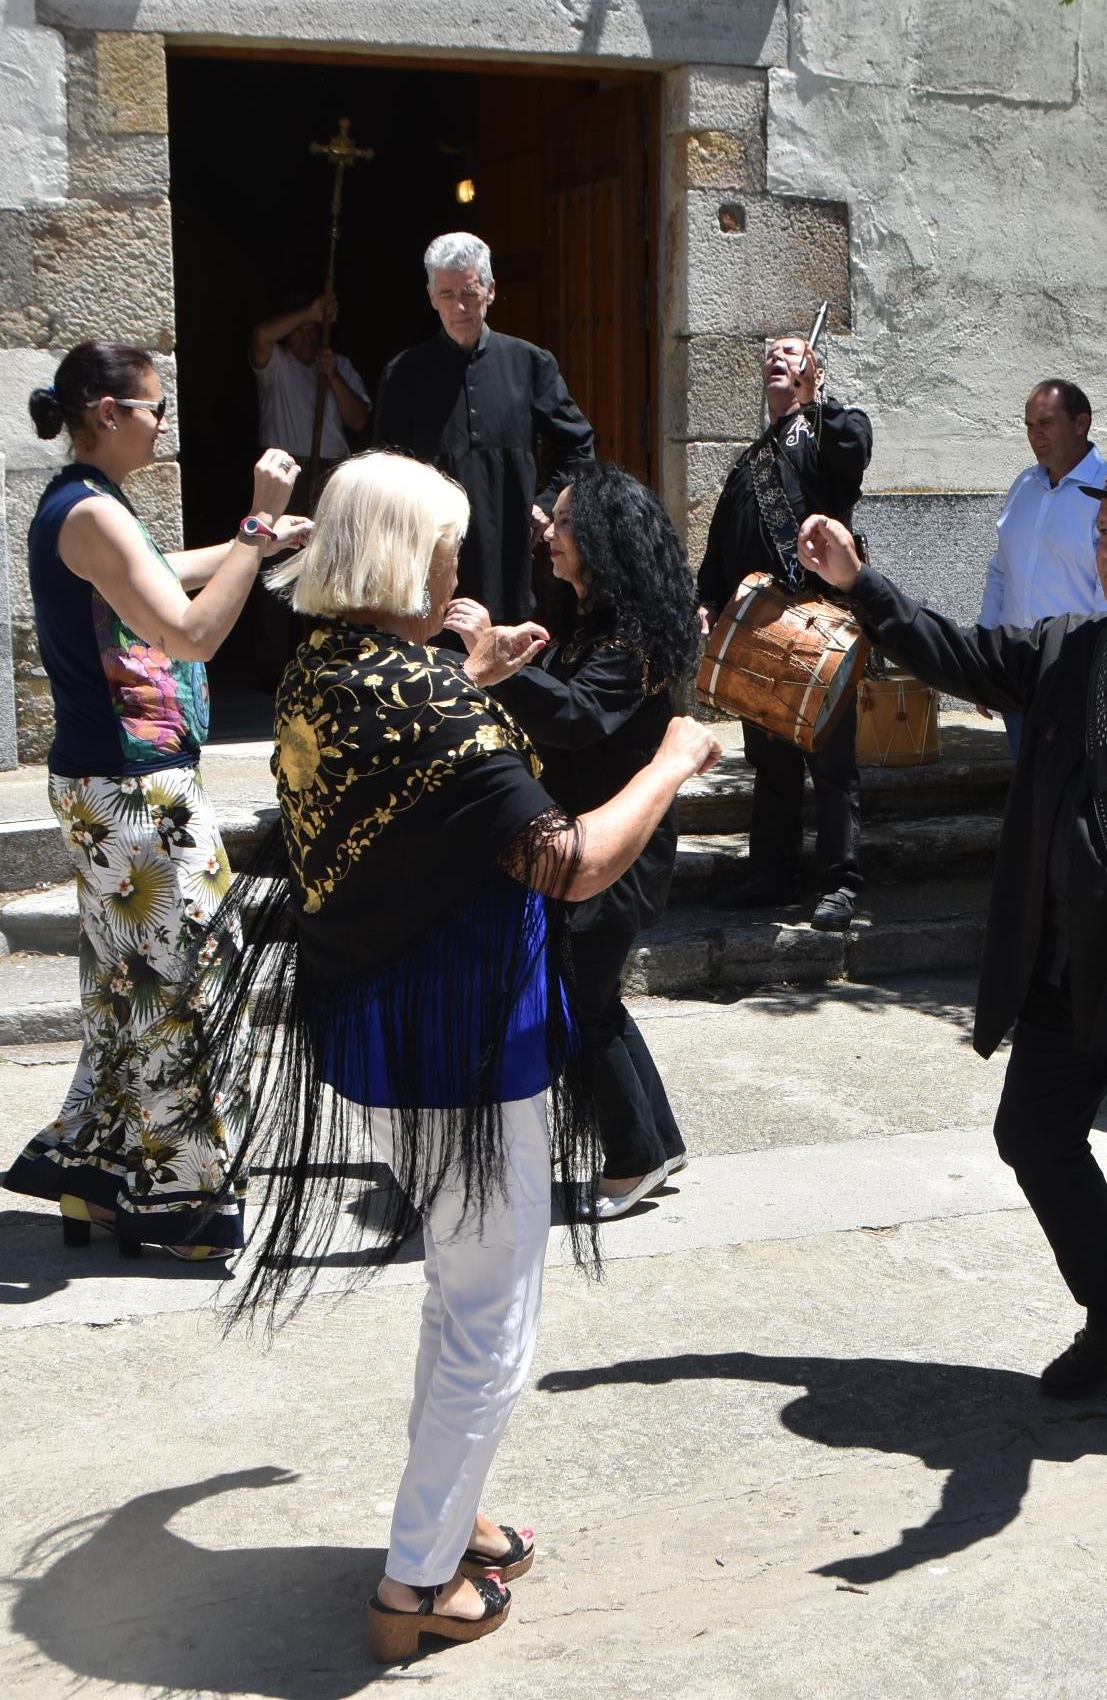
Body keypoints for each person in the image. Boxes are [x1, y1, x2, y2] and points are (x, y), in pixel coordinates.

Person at [218, 451, 720, 1662]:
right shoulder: (433, 705)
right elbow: (568, 857)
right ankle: (413, 1586)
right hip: (459, 1040)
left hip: (383, 1019)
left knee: (458, 1282)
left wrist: (470, 666)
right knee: (490, 1310)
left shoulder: (329, 662)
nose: (462, 563)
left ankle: (447, 1515)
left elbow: (414, 741)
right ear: (401, 559)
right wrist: (671, 764)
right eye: (444, 545)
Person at [797, 437, 1107, 1440]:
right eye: (1105, 535)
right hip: (1075, 963)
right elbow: (962, 652)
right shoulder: (1075, 648)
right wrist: (861, 583)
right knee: (1032, 1134)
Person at [2, 342, 309, 1258]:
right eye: (153, 409)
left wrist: (255, 542)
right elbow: (192, 636)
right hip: (135, 790)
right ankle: (179, 1207)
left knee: (128, 983)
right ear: (105, 411)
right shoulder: (89, 513)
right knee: (188, 983)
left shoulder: (90, 508)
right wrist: (258, 527)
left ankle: (92, 1177)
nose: (163, 424)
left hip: (111, 784)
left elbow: (158, 565)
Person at [451, 464, 700, 1220]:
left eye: (560, 523)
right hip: (584, 842)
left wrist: (496, 668)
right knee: (590, 997)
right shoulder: (592, 623)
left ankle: (631, 1160)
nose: (547, 534)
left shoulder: (632, 638)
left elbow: (579, 718)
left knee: (582, 999)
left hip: (616, 850)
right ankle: (656, 1138)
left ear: (598, 536)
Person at [695, 330, 874, 931]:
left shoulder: (826, 433)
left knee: (829, 761)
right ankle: (773, 873)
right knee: (770, 762)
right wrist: (707, 599)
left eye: (793, 353)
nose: (778, 357)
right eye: (772, 353)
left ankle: (840, 883)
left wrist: (820, 400)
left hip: (817, 621)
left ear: (814, 373)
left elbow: (857, 445)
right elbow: (721, 544)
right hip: (759, 629)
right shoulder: (749, 460)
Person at [368, 233, 596, 627]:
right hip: (431, 555)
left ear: (490, 290)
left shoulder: (530, 363)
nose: (459, 306)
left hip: (509, 550)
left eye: (470, 293)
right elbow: (384, 473)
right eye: (447, 294)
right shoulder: (403, 374)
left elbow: (577, 446)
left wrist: (543, 505)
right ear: (430, 296)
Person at [980, 378, 1107, 748]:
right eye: (1028, 426)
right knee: (1027, 790)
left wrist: (1096, 670)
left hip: (1074, 674)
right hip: (1016, 671)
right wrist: (983, 654)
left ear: (1080, 423)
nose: (1035, 435)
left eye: (1045, 423)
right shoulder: (1023, 486)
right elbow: (1001, 572)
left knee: (1070, 794)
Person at [250, 288, 371, 505]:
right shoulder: (276, 364)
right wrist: (311, 313)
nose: (306, 338)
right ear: (287, 333)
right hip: (284, 468)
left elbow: (359, 421)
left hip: (332, 469)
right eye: (298, 331)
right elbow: (261, 335)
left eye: (312, 330)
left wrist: (333, 376)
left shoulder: (339, 364)